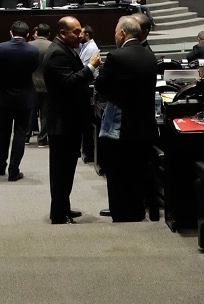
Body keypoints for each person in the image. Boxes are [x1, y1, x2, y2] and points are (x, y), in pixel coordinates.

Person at [95, 14, 158, 221]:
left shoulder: (116, 57)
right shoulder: (150, 55)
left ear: (122, 33)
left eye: (115, 32)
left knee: (117, 171)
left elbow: (101, 87)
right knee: (138, 170)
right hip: (144, 124)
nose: (114, 36)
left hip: (120, 126)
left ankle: (121, 211)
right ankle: (137, 210)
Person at [43, 15, 98, 223]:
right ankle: (58, 214)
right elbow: (69, 83)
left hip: (69, 121)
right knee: (60, 171)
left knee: (66, 170)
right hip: (62, 123)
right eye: (76, 32)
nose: (80, 35)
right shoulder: (57, 53)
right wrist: (91, 67)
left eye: (81, 30)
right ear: (63, 33)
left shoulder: (66, 49)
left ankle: (63, 207)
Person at [0, 20, 40, 180]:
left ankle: (1, 166)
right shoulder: (33, 50)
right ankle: (13, 170)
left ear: (11, 33)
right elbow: (33, 68)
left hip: (4, 96)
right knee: (20, 133)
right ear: (27, 35)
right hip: (25, 97)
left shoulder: (0, 48)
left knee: (3, 132)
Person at [29, 22, 54, 142]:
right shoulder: (52, 46)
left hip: (31, 84)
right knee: (45, 114)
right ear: (49, 34)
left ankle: (26, 136)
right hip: (47, 85)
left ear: (37, 33)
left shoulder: (28, 46)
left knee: (30, 112)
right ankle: (43, 138)